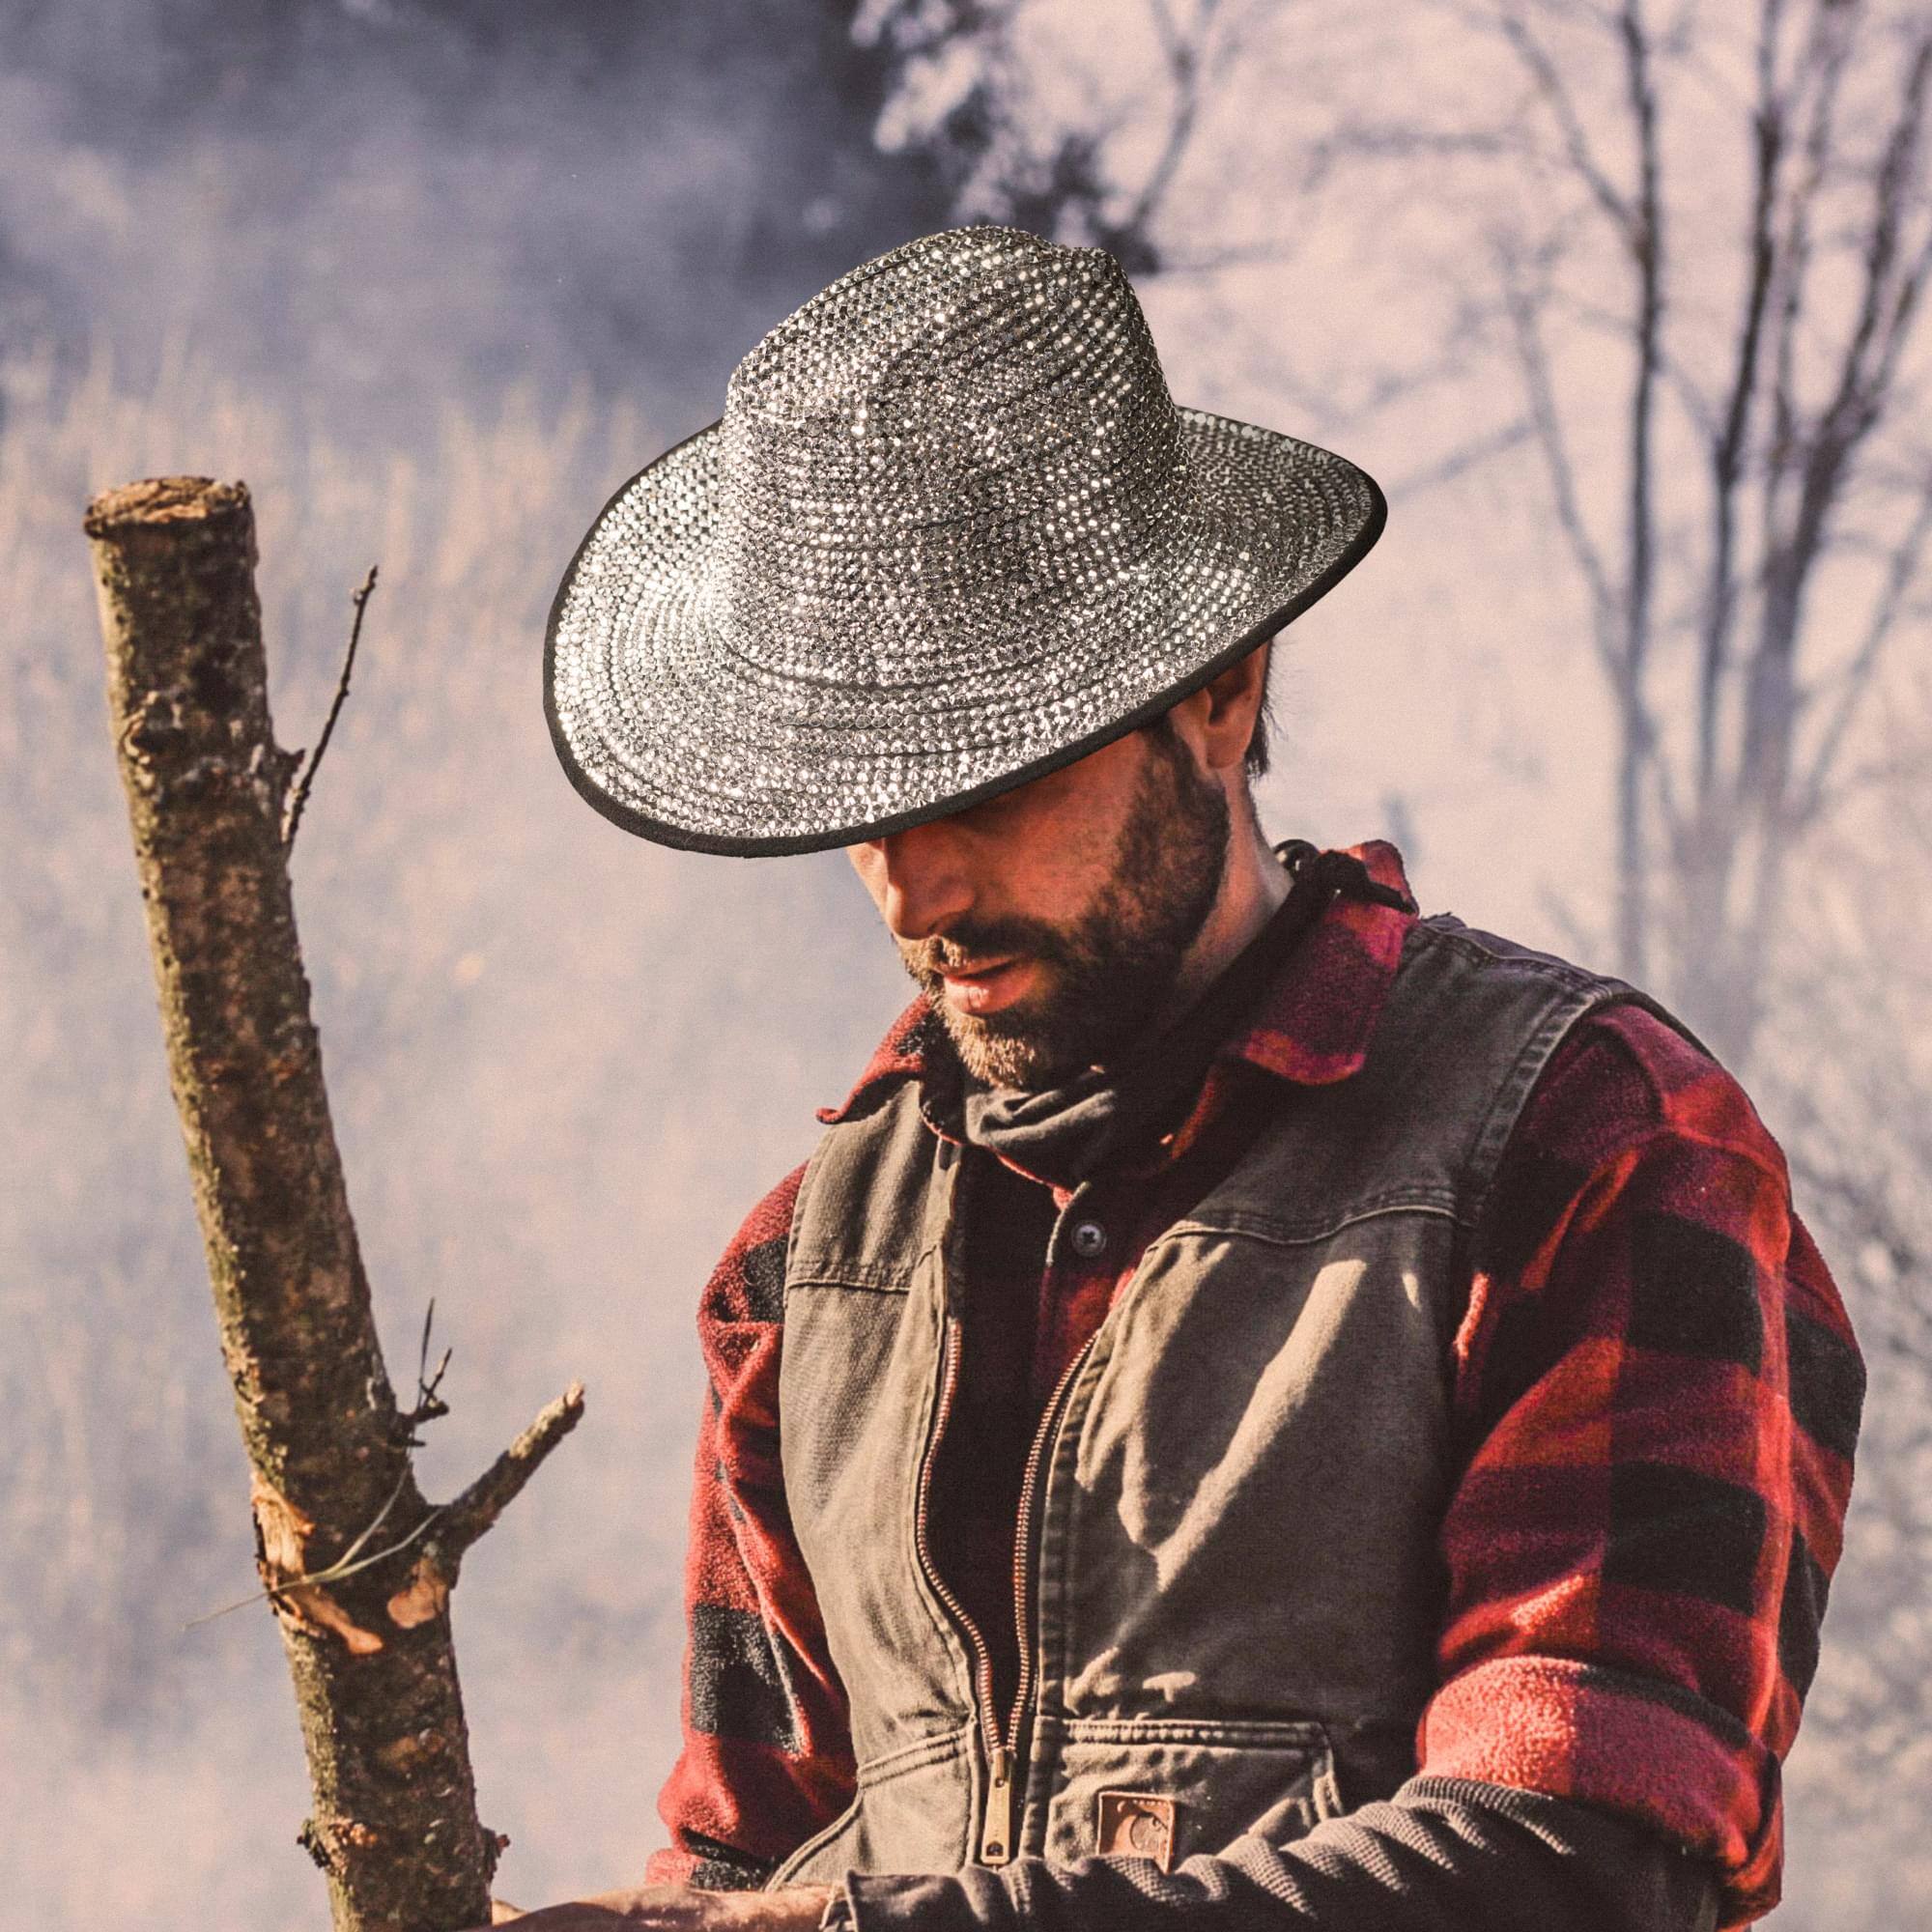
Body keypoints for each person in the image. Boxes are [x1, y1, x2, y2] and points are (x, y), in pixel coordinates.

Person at [515, 226, 1863, 1931]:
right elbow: (742, 1860)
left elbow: (1584, 1864)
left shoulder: (1589, 1142)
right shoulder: (798, 1276)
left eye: (986, 786)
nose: (917, 897)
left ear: (1221, 694)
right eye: (867, 811)